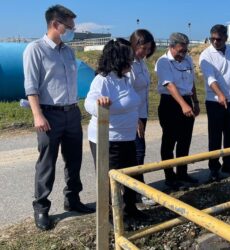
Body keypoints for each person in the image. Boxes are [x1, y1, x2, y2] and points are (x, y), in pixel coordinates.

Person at [23, 5, 94, 231]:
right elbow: (31, 87)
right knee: (47, 163)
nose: (72, 30)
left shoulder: (68, 51)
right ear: (56, 24)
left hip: (71, 112)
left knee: (74, 160)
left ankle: (72, 199)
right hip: (48, 113)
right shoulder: (35, 50)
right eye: (69, 27)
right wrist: (38, 115)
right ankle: (41, 207)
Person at [84, 38, 146, 219]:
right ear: (118, 58)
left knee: (129, 176)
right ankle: (110, 218)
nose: (132, 60)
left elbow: (130, 103)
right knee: (109, 181)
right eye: (129, 56)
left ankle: (131, 209)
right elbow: (89, 103)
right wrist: (99, 104)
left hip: (127, 137)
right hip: (108, 140)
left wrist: (137, 120)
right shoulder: (102, 80)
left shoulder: (124, 78)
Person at [199, 24, 230, 182]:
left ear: (226, 38)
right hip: (214, 102)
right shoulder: (206, 55)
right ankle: (214, 169)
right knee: (215, 137)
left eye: (218, 39)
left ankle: (229, 166)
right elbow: (210, 78)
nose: (215, 41)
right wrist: (220, 95)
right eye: (212, 38)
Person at [155, 32, 200, 189]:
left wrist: (194, 101)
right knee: (169, 141)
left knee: (185, 140)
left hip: (186, 101)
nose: (183, 54)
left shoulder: (187, 60)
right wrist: (183, 105)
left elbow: (191, 81)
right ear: (171, 46)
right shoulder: (163, 62)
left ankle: (182, 173)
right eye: (180, 51)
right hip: (170, 103)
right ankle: (170, 176)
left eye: (185, 51)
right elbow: (169, 85)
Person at [129, 29, 156, 205]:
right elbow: (127, 92)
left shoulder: (141, 62)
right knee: (137, 152)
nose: (145, 52)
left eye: (148, 49)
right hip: (133, 116)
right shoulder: (129, 64)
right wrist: (136, 117)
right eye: (143, 48)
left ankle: (136, 189)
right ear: (135, 44)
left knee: (139, 152)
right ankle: (137, 192)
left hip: (142, 113)